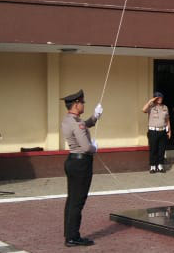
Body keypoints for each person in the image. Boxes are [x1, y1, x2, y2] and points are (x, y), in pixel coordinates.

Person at [62, 90, 102, 247]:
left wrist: (95, 117)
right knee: (78, 201)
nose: (83, 104)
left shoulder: (68, 120)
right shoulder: (76, 123)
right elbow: (86, 147)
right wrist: (95, 148)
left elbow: (84, 125)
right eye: (82, 102)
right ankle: (73, 237)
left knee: (71, 200)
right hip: (81, 164)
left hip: (72, 161)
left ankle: (69, 233)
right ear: (76, 104)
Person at [142, 91, 170, 173]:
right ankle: (153, 166)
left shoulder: (165, 107)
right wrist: (150, 101)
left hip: (163, 131)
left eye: (161, 98)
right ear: (155, 98)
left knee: (162, 149)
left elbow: (167, 119)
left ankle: (160, 165)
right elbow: (143, 110)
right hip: (153, 131)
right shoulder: (151, 106)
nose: (160, 99)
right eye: (158, 98)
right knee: (153, 149)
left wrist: (169, 131)